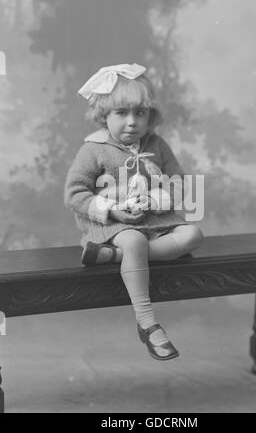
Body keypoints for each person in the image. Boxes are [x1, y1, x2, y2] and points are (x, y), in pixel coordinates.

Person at [64, 63, 203, 361]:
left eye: (140, 113)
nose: (131, 122)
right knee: (135, 242)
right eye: (121, 113)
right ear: (104, 115)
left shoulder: (157, 145)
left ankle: (115, 258)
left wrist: (155, 199)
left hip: (156, 220)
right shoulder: (94, 149)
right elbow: (75, 193)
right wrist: (112, 210)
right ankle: (148, 322)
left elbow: (178, 182)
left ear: (150, 115)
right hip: (115, 224)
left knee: (193, 234)